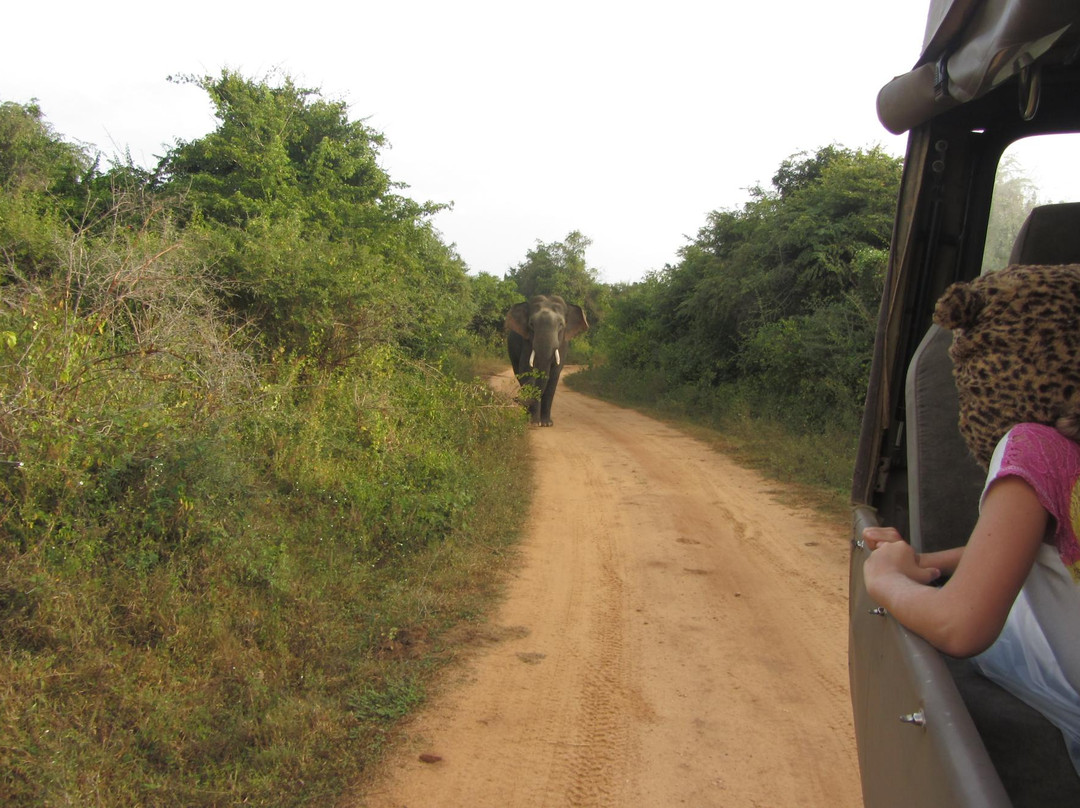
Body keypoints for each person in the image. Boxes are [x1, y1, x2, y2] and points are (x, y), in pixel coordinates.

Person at [862, 263, 1080, 771]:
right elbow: (1056, 548)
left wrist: (886, 578)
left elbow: (962, 627)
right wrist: (933, 560)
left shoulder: (1037, 446)